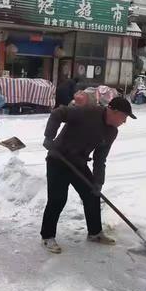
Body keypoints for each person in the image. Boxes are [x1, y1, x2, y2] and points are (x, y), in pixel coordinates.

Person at [40, 97, 136, 253]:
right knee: (57, 199)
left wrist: (98, 182)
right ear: (114, 111)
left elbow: (100, 158)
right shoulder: (88, 112)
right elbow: (58, 113)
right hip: (58, 159)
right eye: (124, 117)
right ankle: (47, 236)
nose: (124, 122)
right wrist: (49, 136)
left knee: (92, 195)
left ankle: (95, 233)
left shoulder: (111, 131)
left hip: (78, 163)